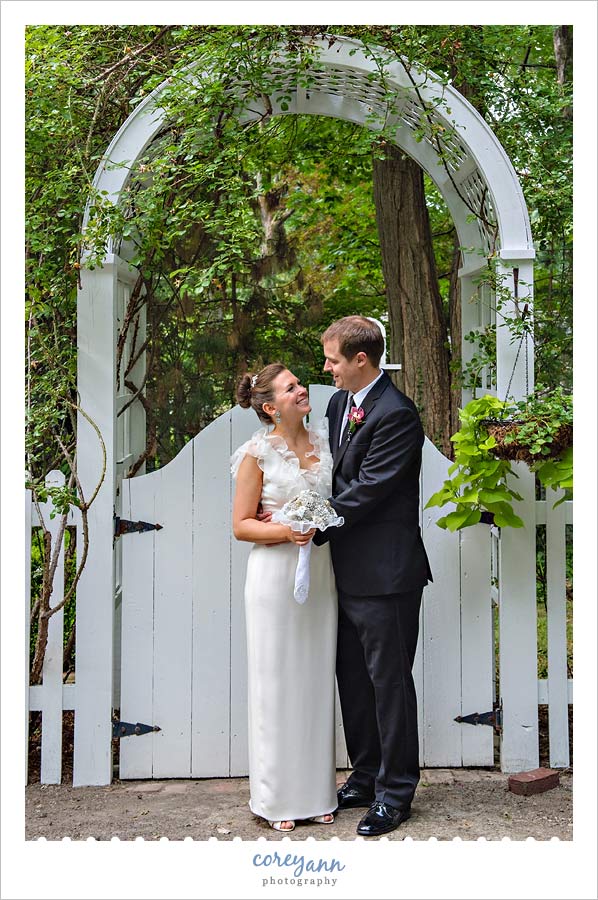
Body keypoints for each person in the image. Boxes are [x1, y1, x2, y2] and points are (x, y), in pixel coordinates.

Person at [313, 316, 433, 837]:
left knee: (389, 684)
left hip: (387, 574)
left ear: (362, 360)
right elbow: (334, 472)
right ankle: (365, 774)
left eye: (333, 359)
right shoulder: (340, 404)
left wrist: (310, 523)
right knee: (354, 679)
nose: (326, 368)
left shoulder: (397, 415)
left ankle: (396, 792)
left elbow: (368, 488)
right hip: (344, 571)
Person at [231, 363, 338, 833]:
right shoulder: (256, 454)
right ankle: (275, 799)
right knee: (276, 685)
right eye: (291, 387)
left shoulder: (326, 441)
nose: (302, 389)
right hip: (274, 577)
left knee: (314, 682)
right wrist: (286, 530)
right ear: (271, 407)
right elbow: (240, 525)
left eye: (300, 383)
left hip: (320, 574)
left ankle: (316, 793)